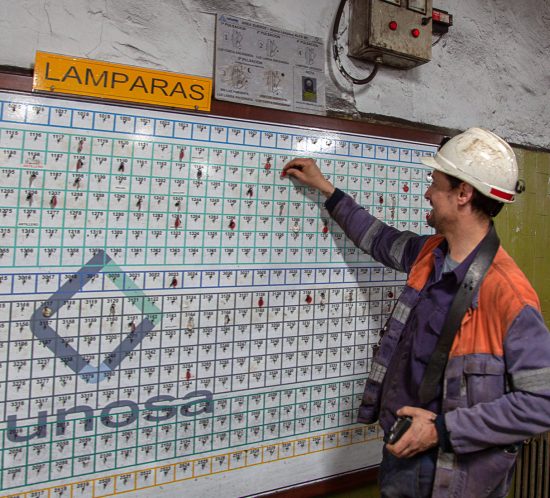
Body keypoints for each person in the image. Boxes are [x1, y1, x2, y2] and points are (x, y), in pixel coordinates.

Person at [282, 128, 550, 498]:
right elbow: (377, 238)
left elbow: (541, 404)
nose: (427, 193)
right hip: (403, 455)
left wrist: (441, 430)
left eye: (434, 183)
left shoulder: (508, 296)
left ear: (463, 194)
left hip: (453, 477)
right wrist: (326, 189)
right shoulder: (430, 253)